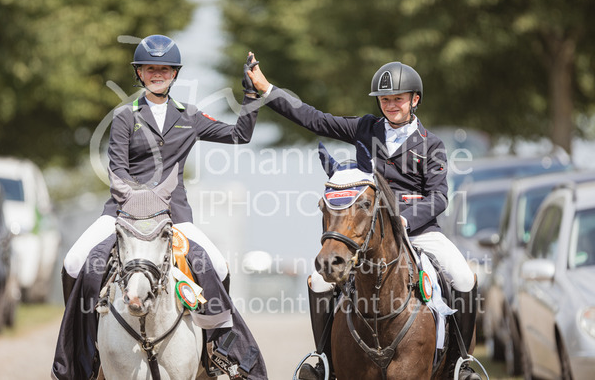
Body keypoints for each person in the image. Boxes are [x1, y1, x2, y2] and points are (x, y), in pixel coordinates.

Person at [247, 57, 480, 380]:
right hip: (369, 230)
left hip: (418, 231)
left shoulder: (432, 145)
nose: (391, 105)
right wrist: (267, 90)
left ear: (414, 100)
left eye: (398, 99)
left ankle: (460, 363)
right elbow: (314, 119)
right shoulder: (365, 129)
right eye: (385, 99)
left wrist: (404, 221)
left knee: (463, 277)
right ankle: (323, 359)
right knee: (319, 281)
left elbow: (439, 197)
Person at [53, 35, 267, 379]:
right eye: (150, 68)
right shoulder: (125, 116)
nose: (157, 74)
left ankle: (216, 350)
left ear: (174, 74)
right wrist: (138, 205)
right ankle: (83, 352)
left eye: (164, 69)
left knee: (216, 265)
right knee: (75, 262)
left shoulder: (190, 116)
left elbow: (239, 135)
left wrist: (251, 96)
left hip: (174, 215)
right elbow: (117, 169)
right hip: (123, 212)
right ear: (139, 73)